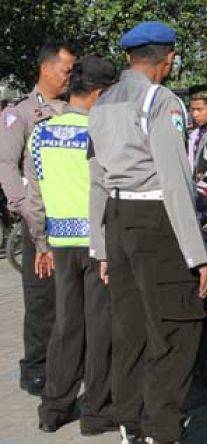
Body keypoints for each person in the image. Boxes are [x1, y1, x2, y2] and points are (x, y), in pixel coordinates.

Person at [88, 22, 207, 443]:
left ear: (129, 58)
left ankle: (132, 424)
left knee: (131, 328)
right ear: (169, 58)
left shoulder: (103, 103)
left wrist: (101, 248)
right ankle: (162, 430)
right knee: (177, 327)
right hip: (156, 219)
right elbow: (176, 180)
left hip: (118, 218)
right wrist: (198, 257)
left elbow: (98, 180)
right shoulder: (160, 101)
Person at [24, 55, 116, 435]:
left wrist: (41, 242)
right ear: (97, 93)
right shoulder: (101, 134)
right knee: (100, 328)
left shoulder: (41, 133)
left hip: (59, 242)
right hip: (97, 245)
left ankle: (54, 407)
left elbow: (34, 198)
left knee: (65, 326)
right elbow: (110, 190)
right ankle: (96, 411)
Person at [0, 41, 76, 396]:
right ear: (46, 69)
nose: (70, 76)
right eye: (66, 70)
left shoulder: (76, 109)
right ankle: (36, 368)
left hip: (75, 221)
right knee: (42, 300)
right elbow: (6, 164)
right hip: (41, 224)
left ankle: (74, 364)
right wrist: (23, 206)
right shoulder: (22, 113)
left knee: (75, 299)